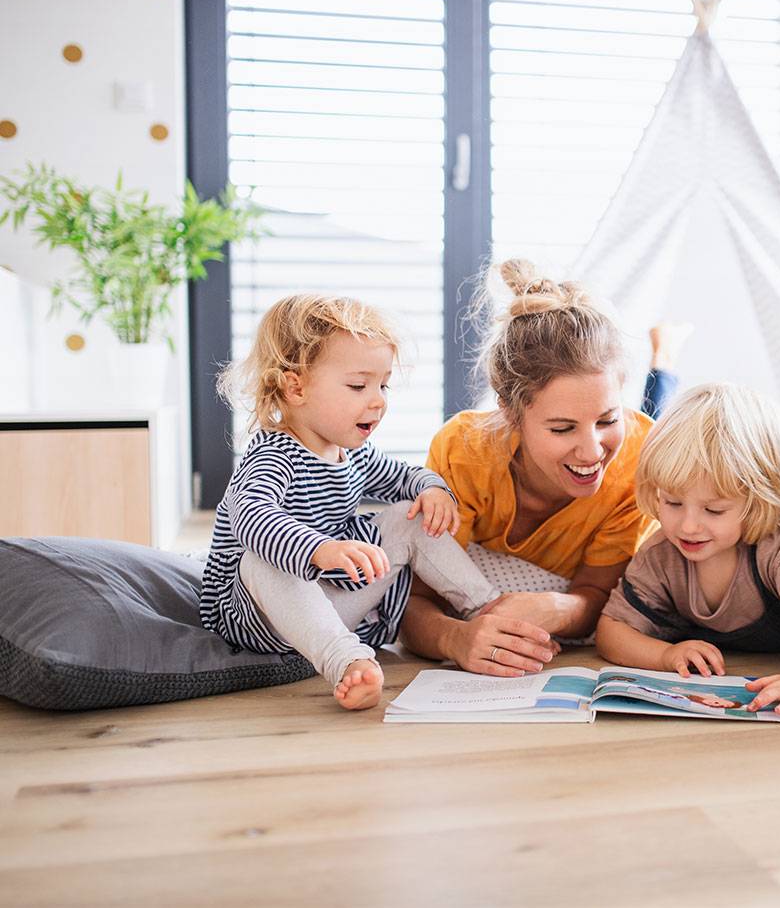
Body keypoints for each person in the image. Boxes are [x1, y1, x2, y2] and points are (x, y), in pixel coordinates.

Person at [201, 295, 500, 710]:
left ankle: (488, 606)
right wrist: (319, 550)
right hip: (258, 615)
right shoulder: (272, 456)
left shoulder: (352, 453)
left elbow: (405, 476)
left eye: (383, 385)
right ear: (296, 386)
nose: (377, 400)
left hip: (328, 603)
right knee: (259, 559)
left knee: (406, 515)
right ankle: (347, 660)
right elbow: (251, 518)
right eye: (359, 386)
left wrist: (433, 490)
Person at [398, 260, 681, 675]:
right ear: (512, 415)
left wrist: (559, 607)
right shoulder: (464, 452)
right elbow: (413, 601)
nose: (592, 451)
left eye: (607, 420)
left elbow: (600, 596)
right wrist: (453, 638)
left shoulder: (637, 460)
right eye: (563, 428)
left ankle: (667, 355)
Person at [596, 384, 780, 722]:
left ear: (757, 503)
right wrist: (666, 655)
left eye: (713, 510)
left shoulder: (777, 547)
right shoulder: (660, 553)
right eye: (672, 502)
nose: (688, 526)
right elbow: (611, 630)